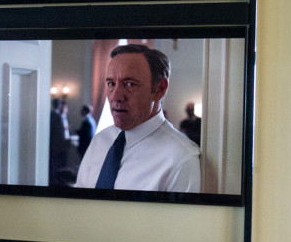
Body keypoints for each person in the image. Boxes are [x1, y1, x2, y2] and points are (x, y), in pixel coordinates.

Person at [74, 44, 201, 192]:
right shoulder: (100, 141)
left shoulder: (182, 159)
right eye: (111, 84)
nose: (116, 96)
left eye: (129, 84)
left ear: (160, 89)